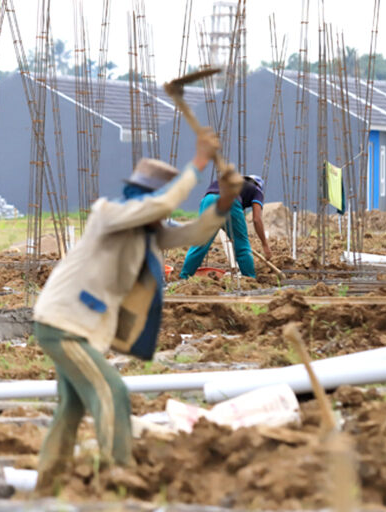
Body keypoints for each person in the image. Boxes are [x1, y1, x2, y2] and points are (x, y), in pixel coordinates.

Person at [31, 128, 243, 493]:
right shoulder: (110, 214)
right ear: (145, 198)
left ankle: (46, 486)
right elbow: (160, 206)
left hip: (77, 327)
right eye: (158, 202)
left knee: (70, 410)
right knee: (112, 391)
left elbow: (192, 234)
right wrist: (198, 163)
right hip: (63, 324)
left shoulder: (147, 232)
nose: (163, 214)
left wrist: (223, 203)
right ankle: (119, 478)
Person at [179, 174, 272, 279]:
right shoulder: (256, 189)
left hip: (208, 200)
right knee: (242, 245)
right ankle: (250, 278)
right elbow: (256, 219)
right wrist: (265, 244)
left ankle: (184, 277)